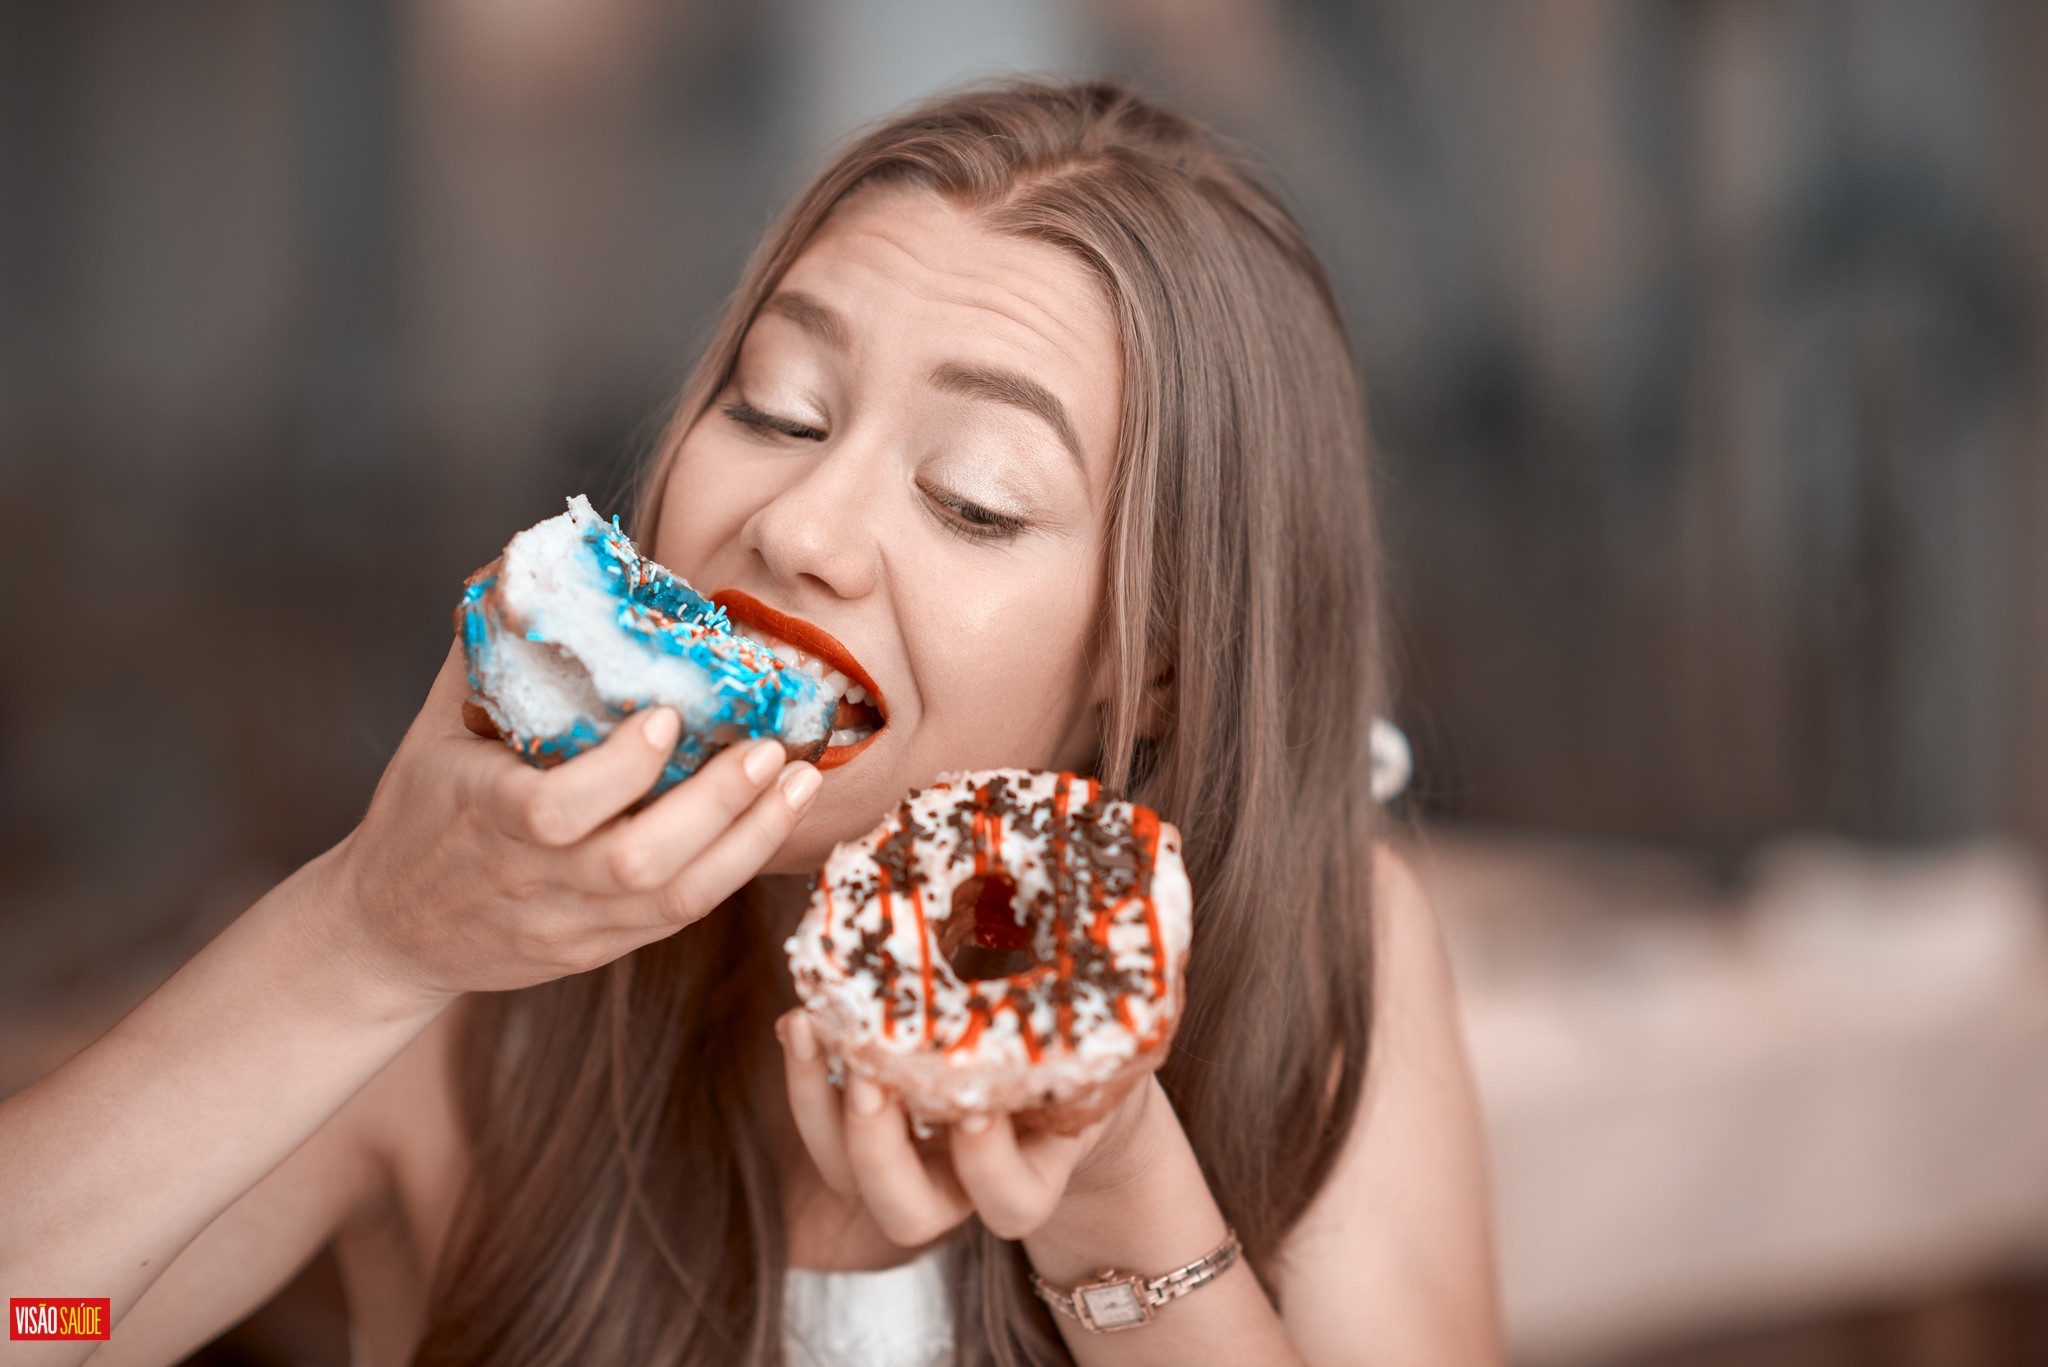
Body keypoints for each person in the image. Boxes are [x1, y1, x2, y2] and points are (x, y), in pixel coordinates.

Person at [0, 79, 1499, 1367]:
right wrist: (362, 938)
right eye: (777, 409)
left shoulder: (1322, 939)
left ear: (1153, 665)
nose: (799, 527)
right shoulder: (465, 977)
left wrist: (1113, 1198)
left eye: (974, 498)